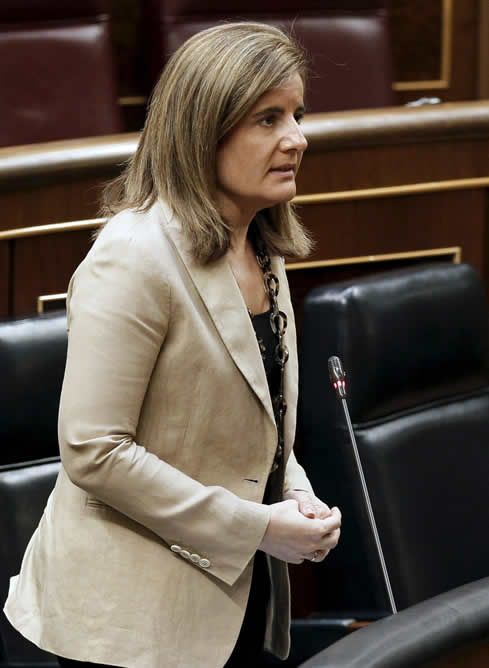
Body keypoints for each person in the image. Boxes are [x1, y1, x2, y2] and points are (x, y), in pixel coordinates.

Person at [4, 22, 341, 668]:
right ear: (202, 130)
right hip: (132, 625)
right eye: (266, 119)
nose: (297, 138)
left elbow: (258, 417)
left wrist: (292, 490)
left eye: (297, 114)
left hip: (234, 599)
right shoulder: (133, 256)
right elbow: (94, 451)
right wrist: (260, 526)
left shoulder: (261, 246)